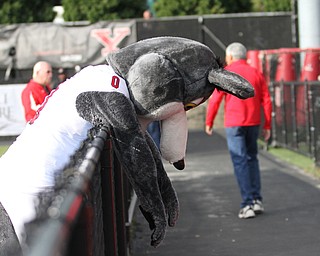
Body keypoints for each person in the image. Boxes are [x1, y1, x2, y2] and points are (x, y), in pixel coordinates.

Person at [205, 42, 272, 219]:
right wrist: (268, 125)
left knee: (240, 161)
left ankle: (247, 204)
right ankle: (257, 200)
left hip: (234, 123)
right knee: (252, 159)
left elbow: (215, 99)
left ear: (231, 56)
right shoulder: (256, 72)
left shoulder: (227, 73)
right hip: (253, 122)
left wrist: (209, 121)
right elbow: (266, 99)